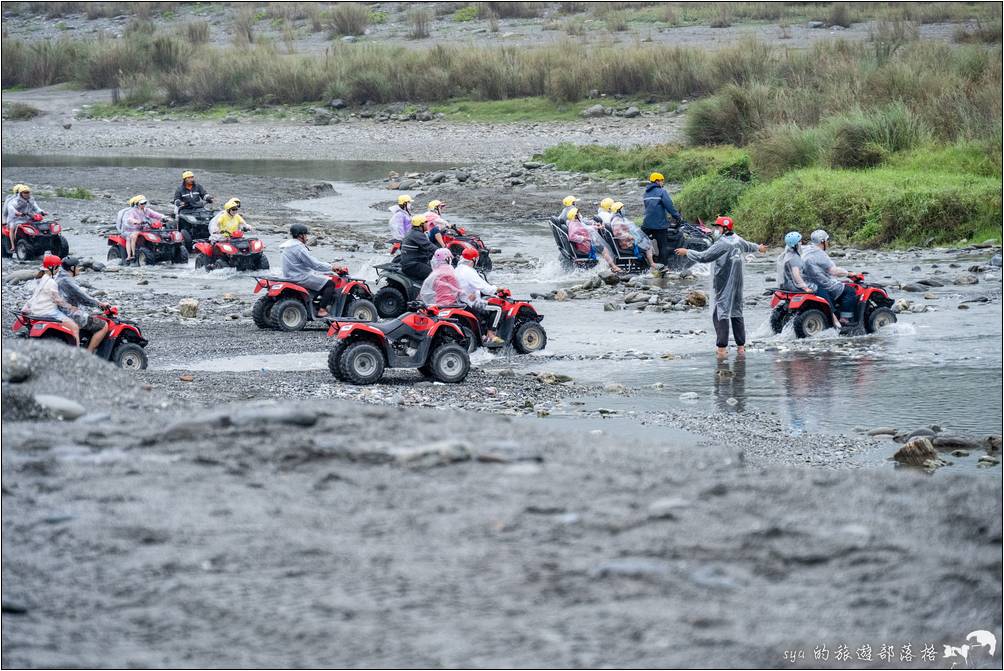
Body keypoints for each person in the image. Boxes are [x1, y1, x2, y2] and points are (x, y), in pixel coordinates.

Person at [675, 216, 767, 358]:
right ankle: (741, 348)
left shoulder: (722, 244)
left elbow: (704, 257)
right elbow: (750, 246)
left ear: (725, 229)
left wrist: (687, 252)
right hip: (738, 284)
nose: (715, 230)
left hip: (723, 283)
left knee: (720, 314)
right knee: (737, 312)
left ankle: (722, 349)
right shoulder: (738, 239)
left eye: (717, 227)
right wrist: (759, 248)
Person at [802, 229, 862, 330]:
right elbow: (833, 271)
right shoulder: (819, 254)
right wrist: (849, 273)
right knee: (849, 291)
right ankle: (845, 320)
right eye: (826, 240)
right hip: (822, 284)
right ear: (822, 242)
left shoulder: (805, 249)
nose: (828, 242)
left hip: (807, 282)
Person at [280, 224, 341, 317]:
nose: (307, 238)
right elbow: (314, 264)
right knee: (330, 284)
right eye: (305, 235)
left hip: (289, 274)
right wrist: (331, 267)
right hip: (299, 277)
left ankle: (315, 303)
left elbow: (307, 264)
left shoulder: (288, 245)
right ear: (301, 235)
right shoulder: (299, 248)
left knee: (321, 277)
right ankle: (322, 310)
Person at [56, 256, 110, 353]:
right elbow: (83, 297)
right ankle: (88, 354)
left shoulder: (59, 276)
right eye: (77, 266)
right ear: (72, 268)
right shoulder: (67, 281)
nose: (79, 268)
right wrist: (100, 304)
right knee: (103, 325)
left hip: (62, 311)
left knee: (93, 316)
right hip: (70, 314)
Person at [23, 255, 79, 345]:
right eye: (57, 268)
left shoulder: (40, 279)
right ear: (52, 267)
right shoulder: (51, 282)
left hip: (36, 311)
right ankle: (78, 354)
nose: (58, 270)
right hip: (49, 312)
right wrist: (71, 307)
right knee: (75, 327)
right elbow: (58, 301)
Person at [455, 247, 504, 346]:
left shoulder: (457, 269)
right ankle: (491, 335)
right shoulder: (469, 271)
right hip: (471, 302)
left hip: (461, 301)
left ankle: (483, 332)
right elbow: (486, 289)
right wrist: (498, 289)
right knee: (498, 309)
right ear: (474, 259)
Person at [642, 172, 683, 266]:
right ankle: (663, 266)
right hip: (659, 225)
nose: (662, 183)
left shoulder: (646, 193)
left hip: (647, 224)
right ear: (657, 181)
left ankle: (646, 262)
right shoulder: (662, 192)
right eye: (661, 180)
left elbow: (648, 208)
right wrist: (677, 216)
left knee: (642, 241)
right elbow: (669, 206)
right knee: (663, 246)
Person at [566, 208, 621, 273]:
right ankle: (614, 267)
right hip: (585, 246)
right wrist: (585, 238)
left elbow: (586, 228)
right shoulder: (575, 224)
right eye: (578, 213)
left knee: (602, 248)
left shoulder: (574, 222)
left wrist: (596, 227)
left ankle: (609, 267)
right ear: (575, 216)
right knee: (604, 249)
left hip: (584, 244)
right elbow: (572, 237)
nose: (579, 214)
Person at [117, 195, 166, 264]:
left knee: (160, 233)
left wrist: (164, 217)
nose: (144, 205)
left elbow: (155, 215)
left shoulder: (147, 210)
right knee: (133, 236)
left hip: (144, 229)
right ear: (137, 204)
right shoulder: (132, 212)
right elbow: (130, 219)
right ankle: (132, 255)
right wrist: (136, 221)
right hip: (131, 230)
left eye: (145, 203)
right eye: (142, 203)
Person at [610, 201, 654, 267]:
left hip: (625, 242)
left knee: (644, 242)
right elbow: (617, 234)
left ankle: (642, 263)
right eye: (622, 209)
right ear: (618, 210)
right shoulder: (617, 221)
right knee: (647, 246)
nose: (623, 210)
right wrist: (630, 236)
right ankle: (652, 264)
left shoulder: (618, 219)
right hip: (626, 244)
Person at [400, 214, 438, 282]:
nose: (427, 224)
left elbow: (426, 250)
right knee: (434, 276)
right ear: (421, 225)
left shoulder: (413, 232)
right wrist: (442, 252)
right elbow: (429, 246)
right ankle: (426, 292)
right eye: (426, 222)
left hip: (413, 262)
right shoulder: (417, 234)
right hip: (412, 265)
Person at [6, 184, 46, 250]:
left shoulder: (31, 200)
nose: (27, 194)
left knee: (38, 225)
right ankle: (13, 246)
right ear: (21, 193)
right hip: (15, 219)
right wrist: (17, 213)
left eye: (28, 192)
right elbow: (11, 208)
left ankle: (39, 240)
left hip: (27, 217)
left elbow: (36, 208)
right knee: (12, 228)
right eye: (25, 192)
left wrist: (42, 212)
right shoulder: (15, 201)